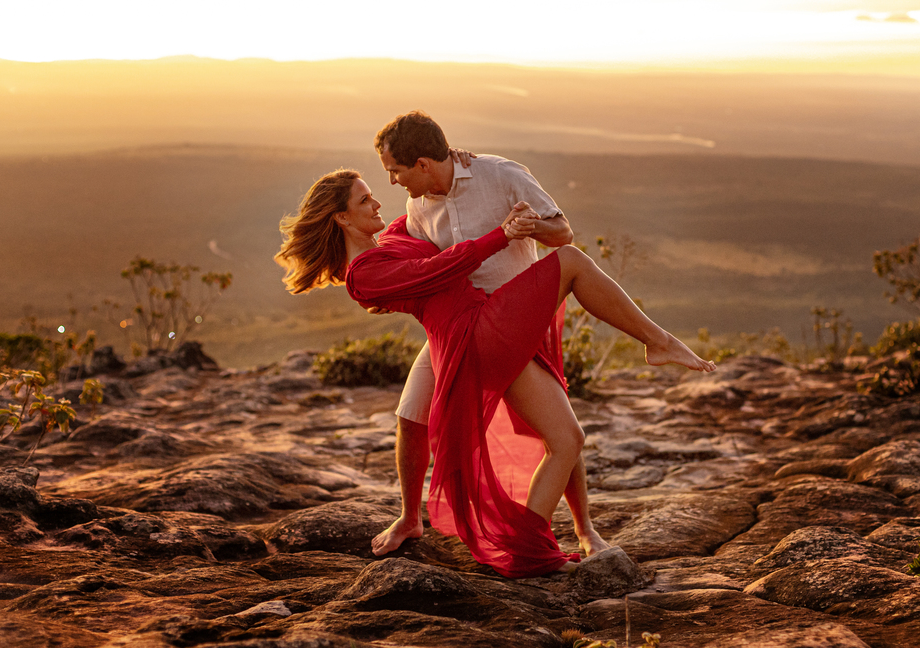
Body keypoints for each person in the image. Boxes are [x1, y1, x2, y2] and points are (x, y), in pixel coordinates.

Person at [275, 169, 716, 578]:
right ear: (340, 217)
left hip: (462, 331)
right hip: (473, 334)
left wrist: (460, 163)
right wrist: (501, 236)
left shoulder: (389, 237)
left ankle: (570, 530)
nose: (377, 202)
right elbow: (438, 268)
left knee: (449, 422)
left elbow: (431, 215)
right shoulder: (364, 276)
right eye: (365, 199)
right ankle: (655, 342)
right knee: (571, 263)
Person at [370, 110, 606, 560]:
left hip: (517, 319)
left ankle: (585, 529)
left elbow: (563, 233)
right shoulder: (416, 207)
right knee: (410, 415)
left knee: (553, 428)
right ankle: (410, 518)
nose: (393, 181)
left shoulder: (501, 175)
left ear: (422, 163)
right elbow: (423, 264)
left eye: (395, 170)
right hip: (460, 327)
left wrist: (525, 226)